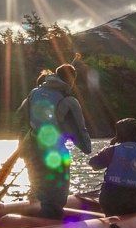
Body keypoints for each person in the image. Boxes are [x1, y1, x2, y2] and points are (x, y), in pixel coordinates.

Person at [15, 63, 92, 219]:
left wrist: (23, 146)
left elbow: (21, 117)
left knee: (39, 188)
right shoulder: (68, 100)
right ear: (72, 80)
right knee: (57, 193)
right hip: (54, 150)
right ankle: (50, 225)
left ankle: (36, 221)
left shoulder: (34, 93)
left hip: (33, 146)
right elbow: (79, 129)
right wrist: (86, 147)